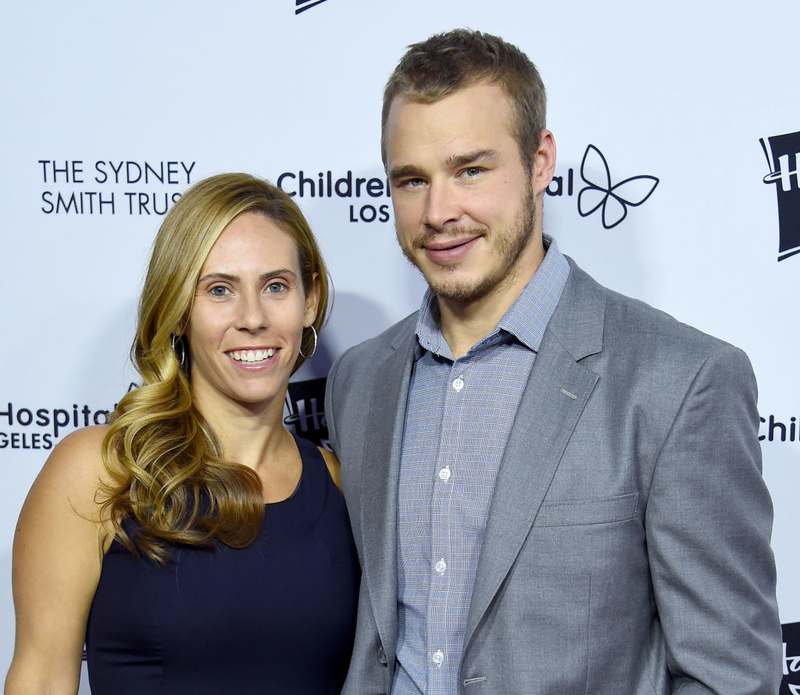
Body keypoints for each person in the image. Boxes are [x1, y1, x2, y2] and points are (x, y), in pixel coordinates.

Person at [325, 29, 782, 695]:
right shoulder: (361, 379)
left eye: (470, 170)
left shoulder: (680, 381)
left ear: (541, 161)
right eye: (411, 180)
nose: (439, 211)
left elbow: (730, 676)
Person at [5, 173, 359, 694]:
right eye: (220, 290)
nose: (253, 318)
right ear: (178, 310)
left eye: (276, 286)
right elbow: (39, 680)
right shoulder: (98, 472)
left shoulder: (336, 482)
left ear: (310, 300)